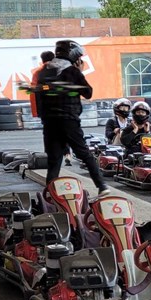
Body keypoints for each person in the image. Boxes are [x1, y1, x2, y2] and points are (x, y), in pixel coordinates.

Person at [37, 39, 111, 196]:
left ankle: (50, 194)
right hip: (68, 120)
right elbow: (88, 93)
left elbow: (40, 99)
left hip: (50, 123)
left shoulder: (43, 72)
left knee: (54, 159)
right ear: (73, 55)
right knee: (84, 153)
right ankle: (102, 186)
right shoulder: (72, 71)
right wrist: (80, 72)